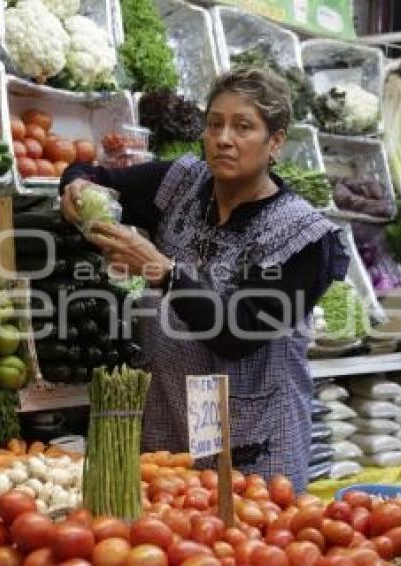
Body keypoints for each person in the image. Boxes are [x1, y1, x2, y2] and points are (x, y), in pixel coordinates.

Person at [59, 67, 349, 490]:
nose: (223, 138)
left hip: (256, 434)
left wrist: (162, 270)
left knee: (254, 545)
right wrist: (77, 187)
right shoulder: (181, 183)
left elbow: (239, 330)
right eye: (215, 124)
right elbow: (97, 175)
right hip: (172, 418)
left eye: (243, 126)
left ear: (276, 141)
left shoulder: (304, 236)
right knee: (173, 542)